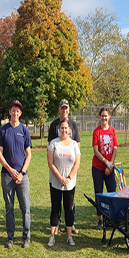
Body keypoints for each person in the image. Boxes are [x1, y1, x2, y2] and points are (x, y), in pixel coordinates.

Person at [0, 100, 32, 249]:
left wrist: (22, 173)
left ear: (20, 113)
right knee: (9, 207)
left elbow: (29, 155)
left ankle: (26, 237)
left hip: (22, 177)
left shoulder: (24, 130)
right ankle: (10, 238)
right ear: (9, 112)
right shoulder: (3, 130)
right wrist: (10, 170)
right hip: (7, 175)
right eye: (13, 110)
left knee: (25, 207)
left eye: (18, 111)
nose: (15, 113)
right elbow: (0, 154)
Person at [48, 99, 80, 235]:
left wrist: (71, 172)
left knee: (70, 201)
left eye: (66, 108)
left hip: (70, 170)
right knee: (56, 202)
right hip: (57, 168)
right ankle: (57, 224)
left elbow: (77, 145)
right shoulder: (54, 125)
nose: (64, 111)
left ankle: (70, 225)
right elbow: (50, 146)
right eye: (62, 108)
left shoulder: (73, 124)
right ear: (59, 110)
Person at [91, 107, 118, 229]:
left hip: (110, 167)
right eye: (102, 116)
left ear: (109, 117)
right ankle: (100, 220)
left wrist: (110, 164)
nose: (104, 118)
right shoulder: (97, 132)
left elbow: (115, 148)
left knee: (112, 191)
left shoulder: (112, 131)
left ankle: (111, 218)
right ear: (100, 117)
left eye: (106, 116)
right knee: (99, 193)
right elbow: (96, 151)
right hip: (98, 167)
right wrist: (106, 162)